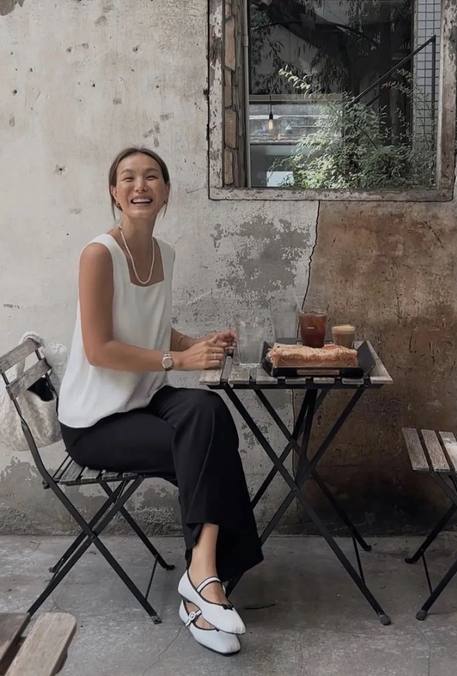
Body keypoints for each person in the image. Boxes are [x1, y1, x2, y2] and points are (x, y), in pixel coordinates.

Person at [58, 147, 263, 655]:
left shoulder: (164, 254)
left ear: (166, 190)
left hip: (142, 399)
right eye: (128, 177)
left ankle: (202, 570)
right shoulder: (98, 255)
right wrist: (179, 362)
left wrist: (196, 344)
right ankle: (205, 591)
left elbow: (152, 327)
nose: (140, 185)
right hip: (95, 422)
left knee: (210, 412)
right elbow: (100, 348)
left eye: (151, 176)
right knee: (200, 441)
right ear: (114, 192)